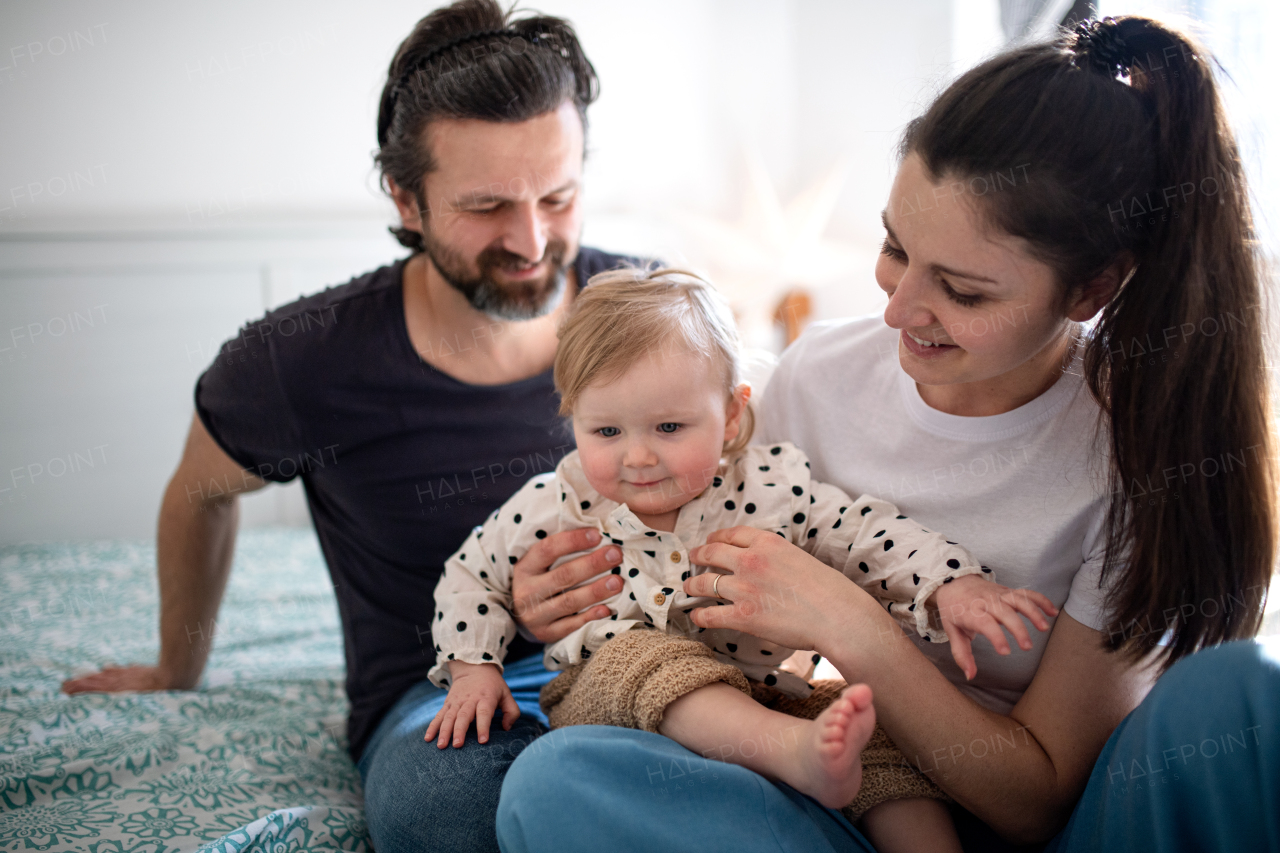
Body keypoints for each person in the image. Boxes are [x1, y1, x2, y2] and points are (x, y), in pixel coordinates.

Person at [495, 16, 1280, 853]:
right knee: (559, 779)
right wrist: (561, 586)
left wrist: (853, 626)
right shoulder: (816, 378)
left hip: (1057, 823)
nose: (897, 311)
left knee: (1241, 694)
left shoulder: (1138, 455)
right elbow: (680, 554)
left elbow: (1039, 798)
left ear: (1089, 290)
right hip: (857, 797)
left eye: (963, 291)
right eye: (894, 247)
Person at [61, 2, 644, 850]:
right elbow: (200, 490)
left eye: (558, 196)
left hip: (650, 663)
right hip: (438, 698)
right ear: (406, 198)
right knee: (447, 817)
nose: (530, 239)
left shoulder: (645, 311)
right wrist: (176, 664)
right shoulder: (305, 359)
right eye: (487, 206)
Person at [425, 268, 1059, 853]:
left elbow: (863, 533)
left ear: (731, 415)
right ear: (573, 419)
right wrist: (472, 669)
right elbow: (469, 573)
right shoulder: (558, 503)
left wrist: (952, 583)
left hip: (768, 693)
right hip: (611, 698)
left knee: (877, 742)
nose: (637, 458)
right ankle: (790, 754)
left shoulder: (771, 487)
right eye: (606, 432)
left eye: (668, 429)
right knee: (649, 656)